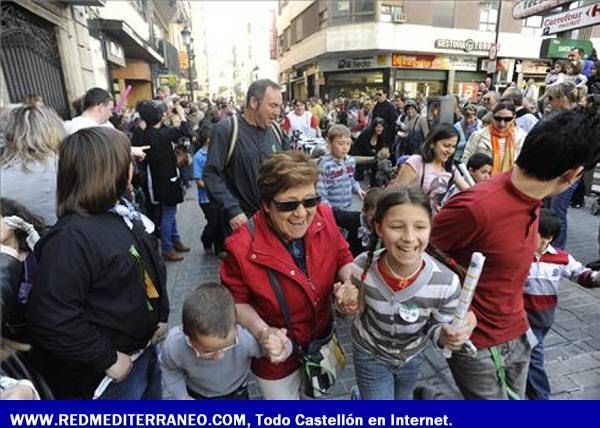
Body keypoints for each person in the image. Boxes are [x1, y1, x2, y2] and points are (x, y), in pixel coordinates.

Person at [431, 109, 600, 399]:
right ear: (573, 176)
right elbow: (418, 255)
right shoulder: (476, 207)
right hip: (476, 343)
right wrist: (450, 316)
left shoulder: (533, 199)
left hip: (520, 333)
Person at [28, 127, 169, 399]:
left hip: (144, 353)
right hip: (112, 377)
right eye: (125, 160)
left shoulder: (121, 213)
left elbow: (148, 267)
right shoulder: (71, 238)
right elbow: (51, 315)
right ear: (106, 170)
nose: (132, 165)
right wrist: (108, 359)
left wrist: (160, 314)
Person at [220, 151, 354, 399]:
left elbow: (342, 256)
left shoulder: (324, 215)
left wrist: (349, 284)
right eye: (288, 205)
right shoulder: (239, 246)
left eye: (309, 201)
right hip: (276, 357)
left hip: (320, 343)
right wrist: (263, 332)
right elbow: (236, 302)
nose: (301, 213)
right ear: (267, 205)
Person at [334, 187, 476, 400]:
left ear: (430, 228)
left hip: (411, 358)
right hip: (370, 355)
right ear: (379, 228)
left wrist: (446, 335)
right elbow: (351, 308)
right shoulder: (361, 267)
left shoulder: (446, 282)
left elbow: (438, 326)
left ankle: (361, 396)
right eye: (397, 226)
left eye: (420, 227)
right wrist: (344, 304)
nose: (409, 237)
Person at [159, 283, 291, 400]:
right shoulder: (174, 345)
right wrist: (181, 396)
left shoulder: (244, 339)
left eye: (228, 347)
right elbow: (169, 368)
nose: (219, 356)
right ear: (186, 335)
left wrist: (279, 347)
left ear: (235, 326)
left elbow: (282, 348)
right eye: (208, 351)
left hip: (237, 394)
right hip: (196, 395)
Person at [524, 209, 600, 400]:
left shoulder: (561, 258)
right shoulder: (520, 257)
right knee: (534, 358)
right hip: (521, 319)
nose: (544, 242)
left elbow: (580, 274)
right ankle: (539, 398)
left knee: (528, 355)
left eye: (549, 237)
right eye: (538, 235)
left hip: (543, 319)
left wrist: (596, 278)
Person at [203, 79, 288, 236]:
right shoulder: (226, 130)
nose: (278, 113)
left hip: (274, 221)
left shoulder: (276, 130)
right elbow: (211, 174)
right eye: (273, 106)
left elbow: (288, 168)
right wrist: (233, 210)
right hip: (242, 225)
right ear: (254, 102)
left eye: (279, 106)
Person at [138, 101, 194, 262]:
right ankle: (168, 247)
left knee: (170, 211)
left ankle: (175, 240)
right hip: (165, 179)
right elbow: (186, 130)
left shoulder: (147, 132)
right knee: (168, 214)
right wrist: (181, 114)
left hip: (158, 179)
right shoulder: (160, 134)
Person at [0, 105, 65, 226]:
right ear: (54, 130)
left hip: (18, 240)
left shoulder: (3, 170)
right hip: (62, 235)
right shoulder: (64, 164)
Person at [393, 123, 469, 214]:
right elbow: (395, 194)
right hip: (410, 215)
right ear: (432, 144)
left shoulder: (451, 169)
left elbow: (469, 192)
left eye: (453, 147)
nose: (450, 151)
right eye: (446, 146)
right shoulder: (416, 162)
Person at [461, 102, 526, 176]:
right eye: (498, 119)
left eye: (507, 119)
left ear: (514, 118)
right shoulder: (478, 135)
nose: (502, 123)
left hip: (510, 182)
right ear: (492, 117)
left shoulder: (522, 137)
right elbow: (466, 160)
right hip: (482, 183)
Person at [316, 124, 364, 213]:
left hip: (348, 207)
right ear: (330, 143)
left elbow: (351, 179)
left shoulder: (350, 161)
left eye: (348, 143)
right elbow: (321, 192)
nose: (345, 148)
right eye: (340, 143)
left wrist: (357, 188)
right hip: (332, 210)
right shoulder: (325, 165)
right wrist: (329, 211)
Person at [192, 125, 222, 255]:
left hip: (219, 195)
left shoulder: (218, 152)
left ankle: (220, 249)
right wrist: (213, 185)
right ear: (208, 139)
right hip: (206, 198)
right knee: (213, 222)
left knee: (220, 221)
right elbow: (198, 180)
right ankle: (206, 239)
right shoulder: (199, 156)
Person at [352, 117, 387, 186]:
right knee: (359, 176)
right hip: (359, 152)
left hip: (371, 155)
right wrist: (376, 155)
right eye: (377, 127)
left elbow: (381, 146)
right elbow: (364, 148)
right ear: (373, 127)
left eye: (381, 127)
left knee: (374, 166)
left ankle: (373, 185)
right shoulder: (366, 133)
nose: (379, 129)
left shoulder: (381, 135)